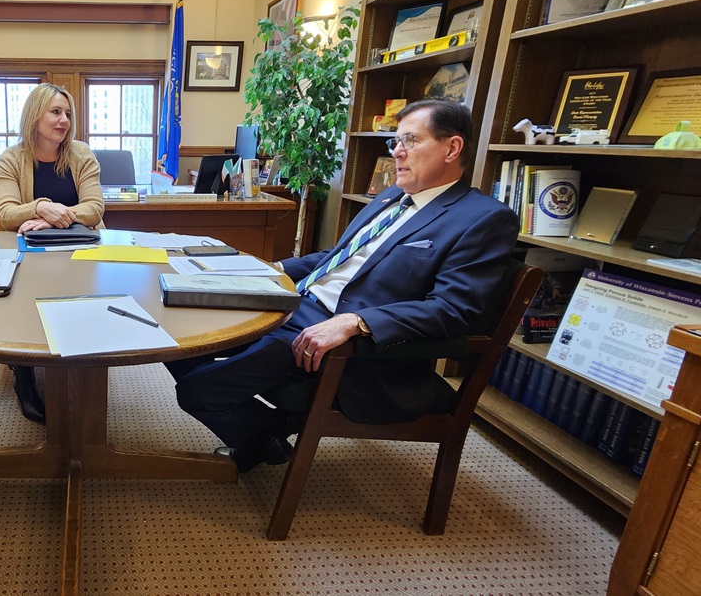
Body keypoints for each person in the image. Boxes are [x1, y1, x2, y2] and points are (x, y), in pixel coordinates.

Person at [166, 99, 520, 473]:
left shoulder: (483, 219)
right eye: (395, 142)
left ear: (452, 148)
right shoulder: (390, 197)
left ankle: (262, 434)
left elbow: (452, 310)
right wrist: (268, 268)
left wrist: (356, 322)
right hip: (293, 303)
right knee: (178, 325)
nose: (397, 152)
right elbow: (337, 257)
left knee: (198, 390)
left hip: (348, 344)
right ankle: (267, 434)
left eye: (410, 141)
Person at [0, 83, 105, 423]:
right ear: (34, 115)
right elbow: (7, 214)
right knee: (25, 295)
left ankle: (84, 365)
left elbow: (95, 208)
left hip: (78, 249)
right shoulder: (10, 159)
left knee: (85, 295)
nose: (64, 120)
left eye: (68, 113)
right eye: (55, 112)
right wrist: (42, 206)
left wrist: (54, 219)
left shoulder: (82, 154)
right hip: (28, 252)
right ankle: (23, 372)